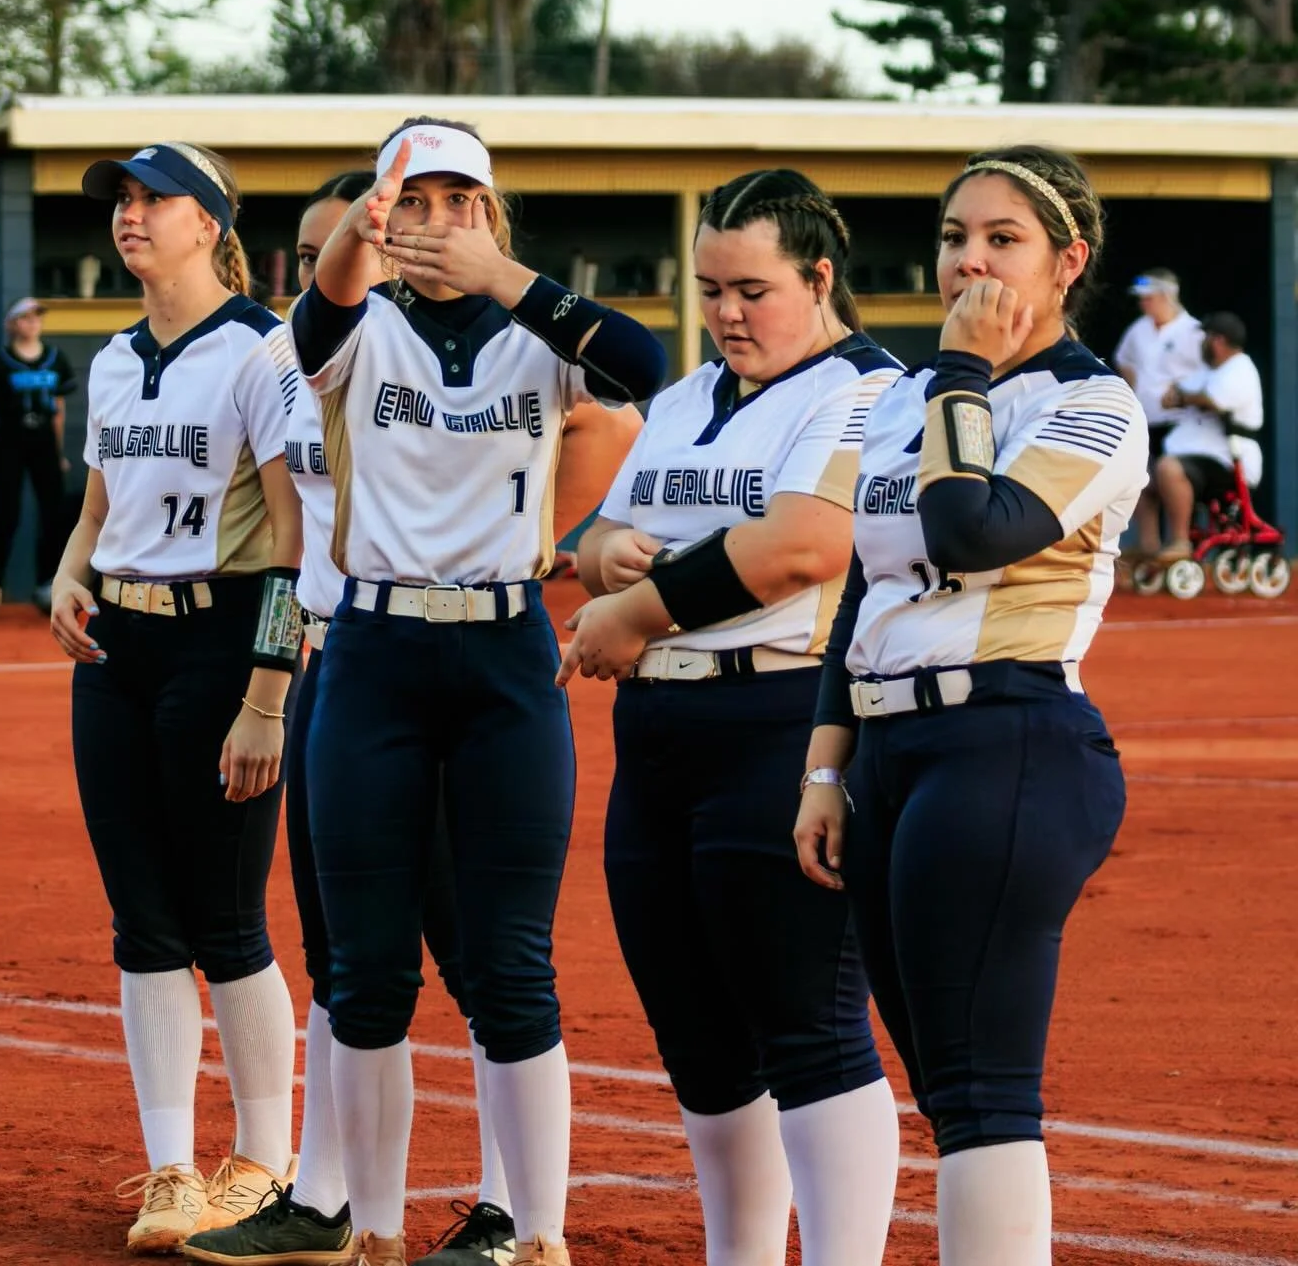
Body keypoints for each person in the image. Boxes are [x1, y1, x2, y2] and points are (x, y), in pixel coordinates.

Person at [181, 170, 644, 1266]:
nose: (326, 264)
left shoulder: (502, 338)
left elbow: (622, 402)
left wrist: (522, 534)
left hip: (476, 650)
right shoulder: (293, 355)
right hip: (345, 664)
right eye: (309, 254)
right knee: (352, 962)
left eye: (343, 240)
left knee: (490, 959)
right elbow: (287, 549)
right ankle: (333, 1205)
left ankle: (507, 1217)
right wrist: (271, 688)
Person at [793, 146, 1146, 1266]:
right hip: (893, 749)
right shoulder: (907, 394)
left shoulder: (1095, 402)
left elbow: (969, 531)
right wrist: (826, 767)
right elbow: (868, 585)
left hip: (1009, 739)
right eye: (955, 237)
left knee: (984, 1091)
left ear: (1067, 261)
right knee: (949, 1089)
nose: (971, 262)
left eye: (1003, 239)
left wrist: (963, 372)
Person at [556, 169, 903, 1266]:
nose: (726, 313)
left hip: (786, 720)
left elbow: (803, 544)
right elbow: (596, 537)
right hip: (659, 734)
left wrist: (634, 605)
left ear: (820, 278)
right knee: (698, 1035)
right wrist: (605, 556)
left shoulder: (869, 390)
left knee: (808, 1024)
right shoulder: (685, 396)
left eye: (753, 290)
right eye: (709, 289)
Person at [49, 140, 303, 1256]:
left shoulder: (261, 349)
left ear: (211, 223)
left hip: (222, 642)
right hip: (117, 650)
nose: (131, 214)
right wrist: (68, 575)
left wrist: (267, 693)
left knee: (227, 918)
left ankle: (264, 1165)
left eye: (156, 199)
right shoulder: (113, 358)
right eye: (123, 199)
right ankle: (171, 1171)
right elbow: (97, 511)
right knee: (142, 920)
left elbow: (296, 539)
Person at [0, 297, 77, 601]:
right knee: (7, 514)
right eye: (25, 318)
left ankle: (48, 582)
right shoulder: (0, 360)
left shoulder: (55, 358)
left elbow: (59, 409)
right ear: (12, 324)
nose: (32, 323)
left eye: (37, 317)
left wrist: (59, 452)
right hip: (11, 438)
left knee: (52, 514)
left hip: (44, 440)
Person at [1134, 310, 1264, 560]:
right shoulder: (1208, 371)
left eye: (1206, 337)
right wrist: (1181, 396)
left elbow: (1213, 401)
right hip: (1196, 457)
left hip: (1229, 461)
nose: (1202, 343)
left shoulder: (1240, 368)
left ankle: (1180, 542)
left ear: (1218, 340)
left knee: (1169, 468)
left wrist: (1185, 398)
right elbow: (1171, 395)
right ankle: (1148, 548)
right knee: (1140, 479)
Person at [1112, 268, 1203, 460]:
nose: (1142, 304)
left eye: (1148, 298)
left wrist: (1180, 392)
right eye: (1141, 299)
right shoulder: (1138, 329)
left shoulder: (1194, 331)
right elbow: (1123, 358)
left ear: (1166, 296)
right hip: (1144, 422)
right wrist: (1134, 389)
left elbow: (1207, 372)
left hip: (1179, 424)